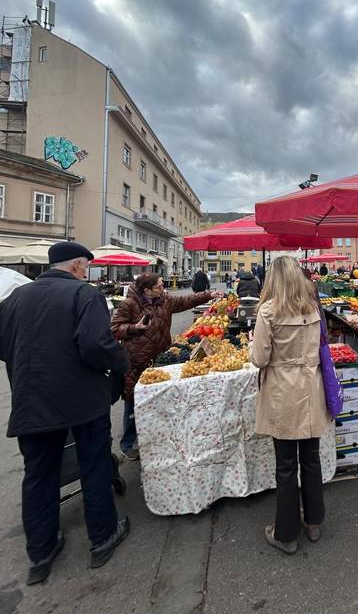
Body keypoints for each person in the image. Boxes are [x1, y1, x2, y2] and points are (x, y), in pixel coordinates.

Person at [0, 241, 130, 584]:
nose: (86, 272)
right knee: (94, 465)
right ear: (76, 265)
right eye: (86, 266)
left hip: (31, 402)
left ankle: (41, 553)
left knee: (39, 475)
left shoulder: (16, 298)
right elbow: (96, 345)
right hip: (81, 401)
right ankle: (102, 537)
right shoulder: (84, 294)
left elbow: (4, 346)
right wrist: (121, 361)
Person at [250, 256, 331, 555]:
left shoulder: (268, 311)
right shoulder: (312, 308)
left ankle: (286, 534)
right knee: (311, 458)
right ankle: (313, 521)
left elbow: (259, 359)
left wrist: (252, 343)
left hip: (283, 391)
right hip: (311, 388)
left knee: (285, 465)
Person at [111, 272, 213, 460]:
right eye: (159, 286)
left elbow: (185, 301)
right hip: (137, 359)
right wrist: (134, 328)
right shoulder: (129, 304)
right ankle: (128, 444)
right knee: (133, 401)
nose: (163, 288)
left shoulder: (164, 300)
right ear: (147, 290)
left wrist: (208, 295)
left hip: (160, 357)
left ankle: (156, 438)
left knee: (159, 398)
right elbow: (114, 329)